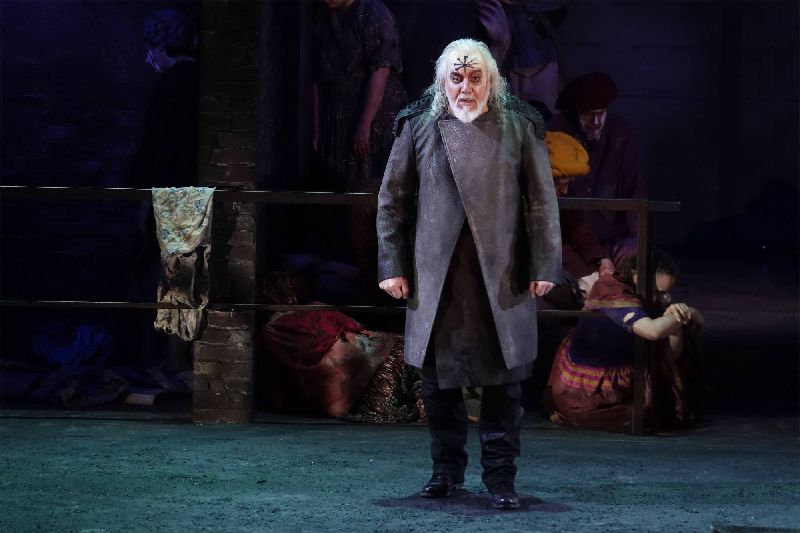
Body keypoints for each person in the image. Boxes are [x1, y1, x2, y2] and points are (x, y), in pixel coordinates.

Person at [376, 38, 562, 510]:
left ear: (491, 81)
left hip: (499, 277)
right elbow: (392, 201)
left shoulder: (519, 125)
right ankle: (445, 472)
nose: (466, 87)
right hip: (439, 277)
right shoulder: (418, 125)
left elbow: (541, 202)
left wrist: (545, 264)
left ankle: (500, 478)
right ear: (442, 82)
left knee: (503, 385)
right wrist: (392, 265)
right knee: (438, 385)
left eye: (475, 78)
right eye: (456, 78)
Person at [546, 250, 705, 431]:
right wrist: (687, 313)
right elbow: (653, 331)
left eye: (665, 294)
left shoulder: (638, 291)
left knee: (675, 325)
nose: (661, 298)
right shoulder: (611, 289)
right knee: (670, 323)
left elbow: (676, 343)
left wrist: (678, 317)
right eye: (658, 291)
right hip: (588, 393)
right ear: (637, 277)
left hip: (620, 371)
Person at [312, 0, 408, 288]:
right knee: (339, 187)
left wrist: (364, 124)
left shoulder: (373, 13)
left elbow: (382, 70)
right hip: (338, 114)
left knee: (369, 188)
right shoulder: (324, 17)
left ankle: (376, 271)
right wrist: (316, 130)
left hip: (374, 115)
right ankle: (345, 267)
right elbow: (317, 79)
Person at [130, 8, 200, 377]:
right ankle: (173, 359)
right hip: (193, 192)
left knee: (175, 277)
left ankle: (173, 362)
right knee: (181, 276)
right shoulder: (201, 82)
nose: (147, 58)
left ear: (161, 47)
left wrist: (145, 202)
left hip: (175, 195)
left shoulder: (171, 84)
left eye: (150, 48)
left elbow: (157, 150)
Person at [547, 72, 647, 266]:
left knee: (650, 272)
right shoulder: (557, 131)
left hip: (613, 237)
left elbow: (635, 185)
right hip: (571, 240)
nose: (596, 122)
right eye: (588, 115)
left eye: (601, 113)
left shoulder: (619, 133)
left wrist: (634, 236)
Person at [543, 131, 615, 310]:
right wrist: (582, 276)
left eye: (568, 183)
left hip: (563, 260)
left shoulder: (565, 193)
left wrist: (601, 258)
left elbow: (577, 228)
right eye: (559, 183)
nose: (565, 191)